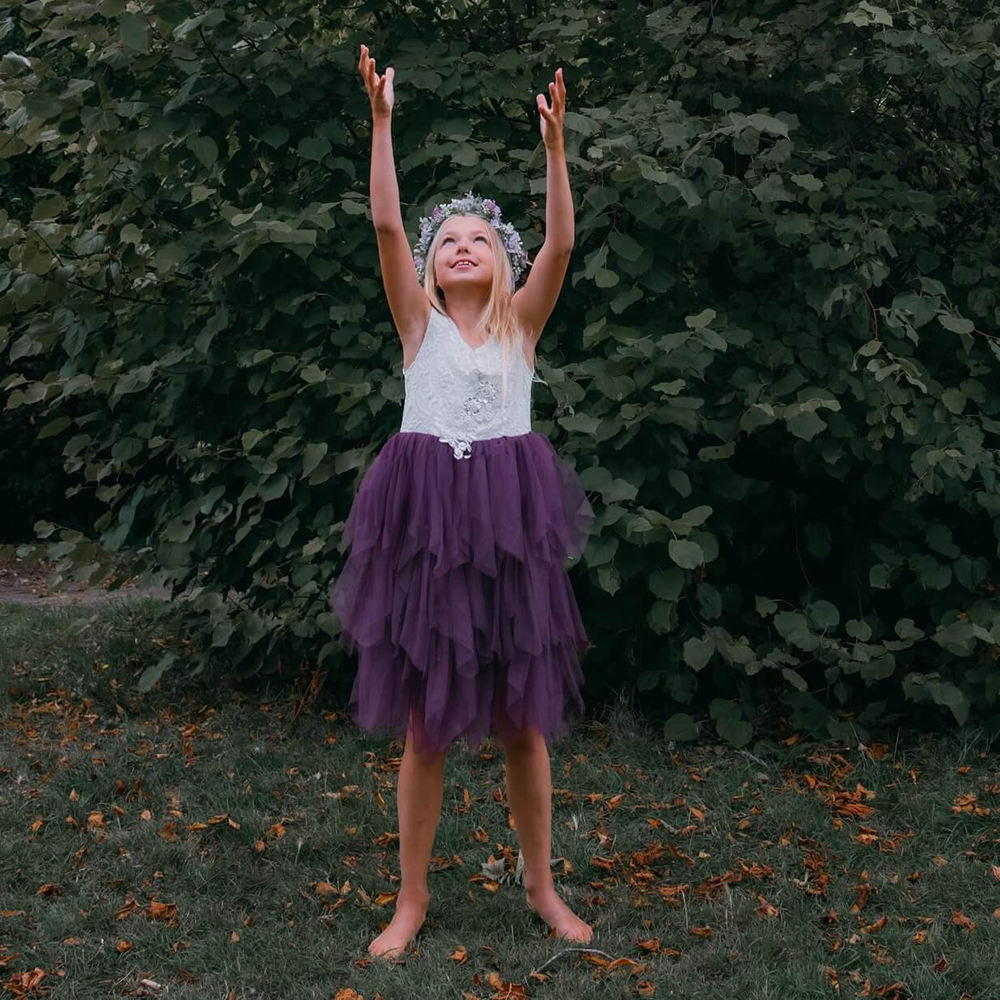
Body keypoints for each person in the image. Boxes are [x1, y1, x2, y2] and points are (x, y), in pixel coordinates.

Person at [329, 43, 596, 960]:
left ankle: (541, 884)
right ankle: (410, 899)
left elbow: (560, 243)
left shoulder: (523, 324)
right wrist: (381, 126)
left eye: (480, 237)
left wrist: (556, 154)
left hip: (509, 527)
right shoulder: (418, 327)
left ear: (501, 262)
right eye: (450, 242)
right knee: (426, 724)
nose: (461, 246)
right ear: (435, 272)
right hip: (429, 531)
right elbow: (386, 229)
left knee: (523, 722)